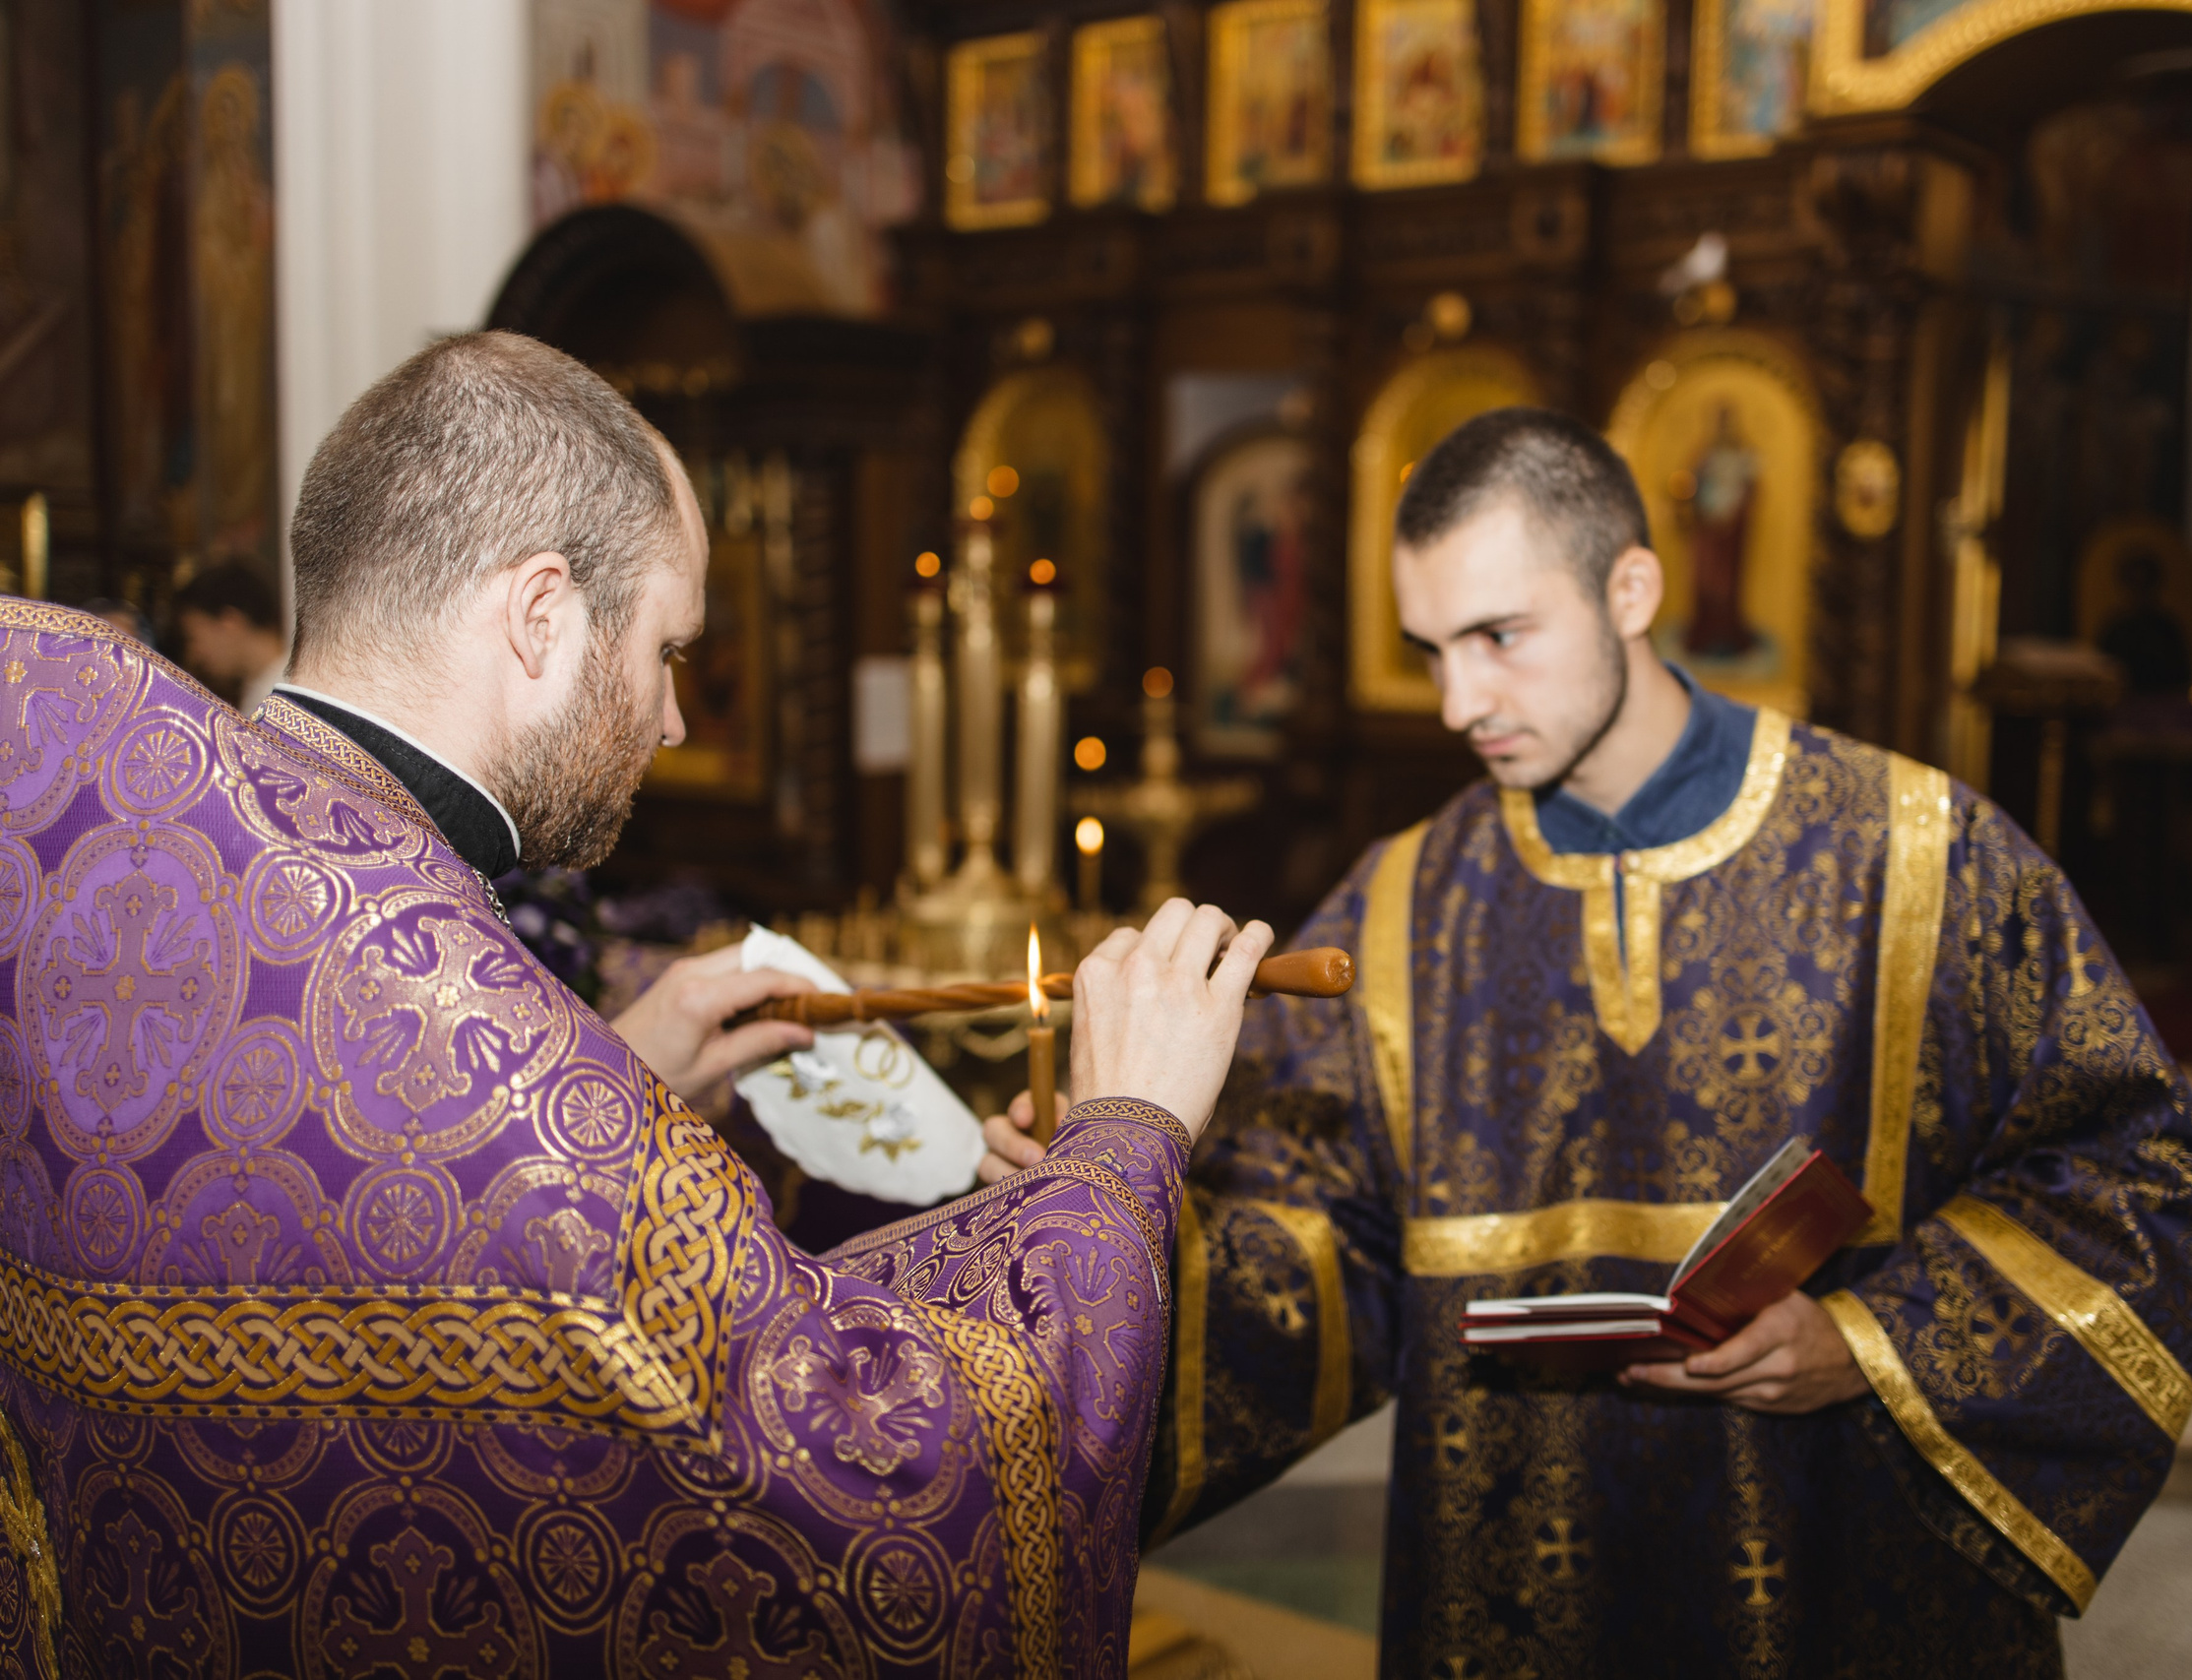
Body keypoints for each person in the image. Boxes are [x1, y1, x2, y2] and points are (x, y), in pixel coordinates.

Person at [0, 331, 1271, 1676]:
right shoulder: (503, 1073)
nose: (672, 718)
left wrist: (613, 1074)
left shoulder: (114, 858)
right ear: (542, 615)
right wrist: (1123, 1136)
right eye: (667, 648)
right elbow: (900, 1504)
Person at [984, 407, 2192, 1675]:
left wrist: (1873, 1341)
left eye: (1499, 637)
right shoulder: (1404, 901)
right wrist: (1114, 1205)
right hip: (1515, 1584)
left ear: (1629, 590)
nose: (1458, 702)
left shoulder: (1916, 856)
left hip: (1844, 1554)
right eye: (1431, 651)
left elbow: (2134, 1172)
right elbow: (1314, 1243)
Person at [172, 558, 290, 711]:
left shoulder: (284, 694)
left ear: (230, 623)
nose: (194, 654)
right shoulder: (262, 688)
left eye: (194, 638)